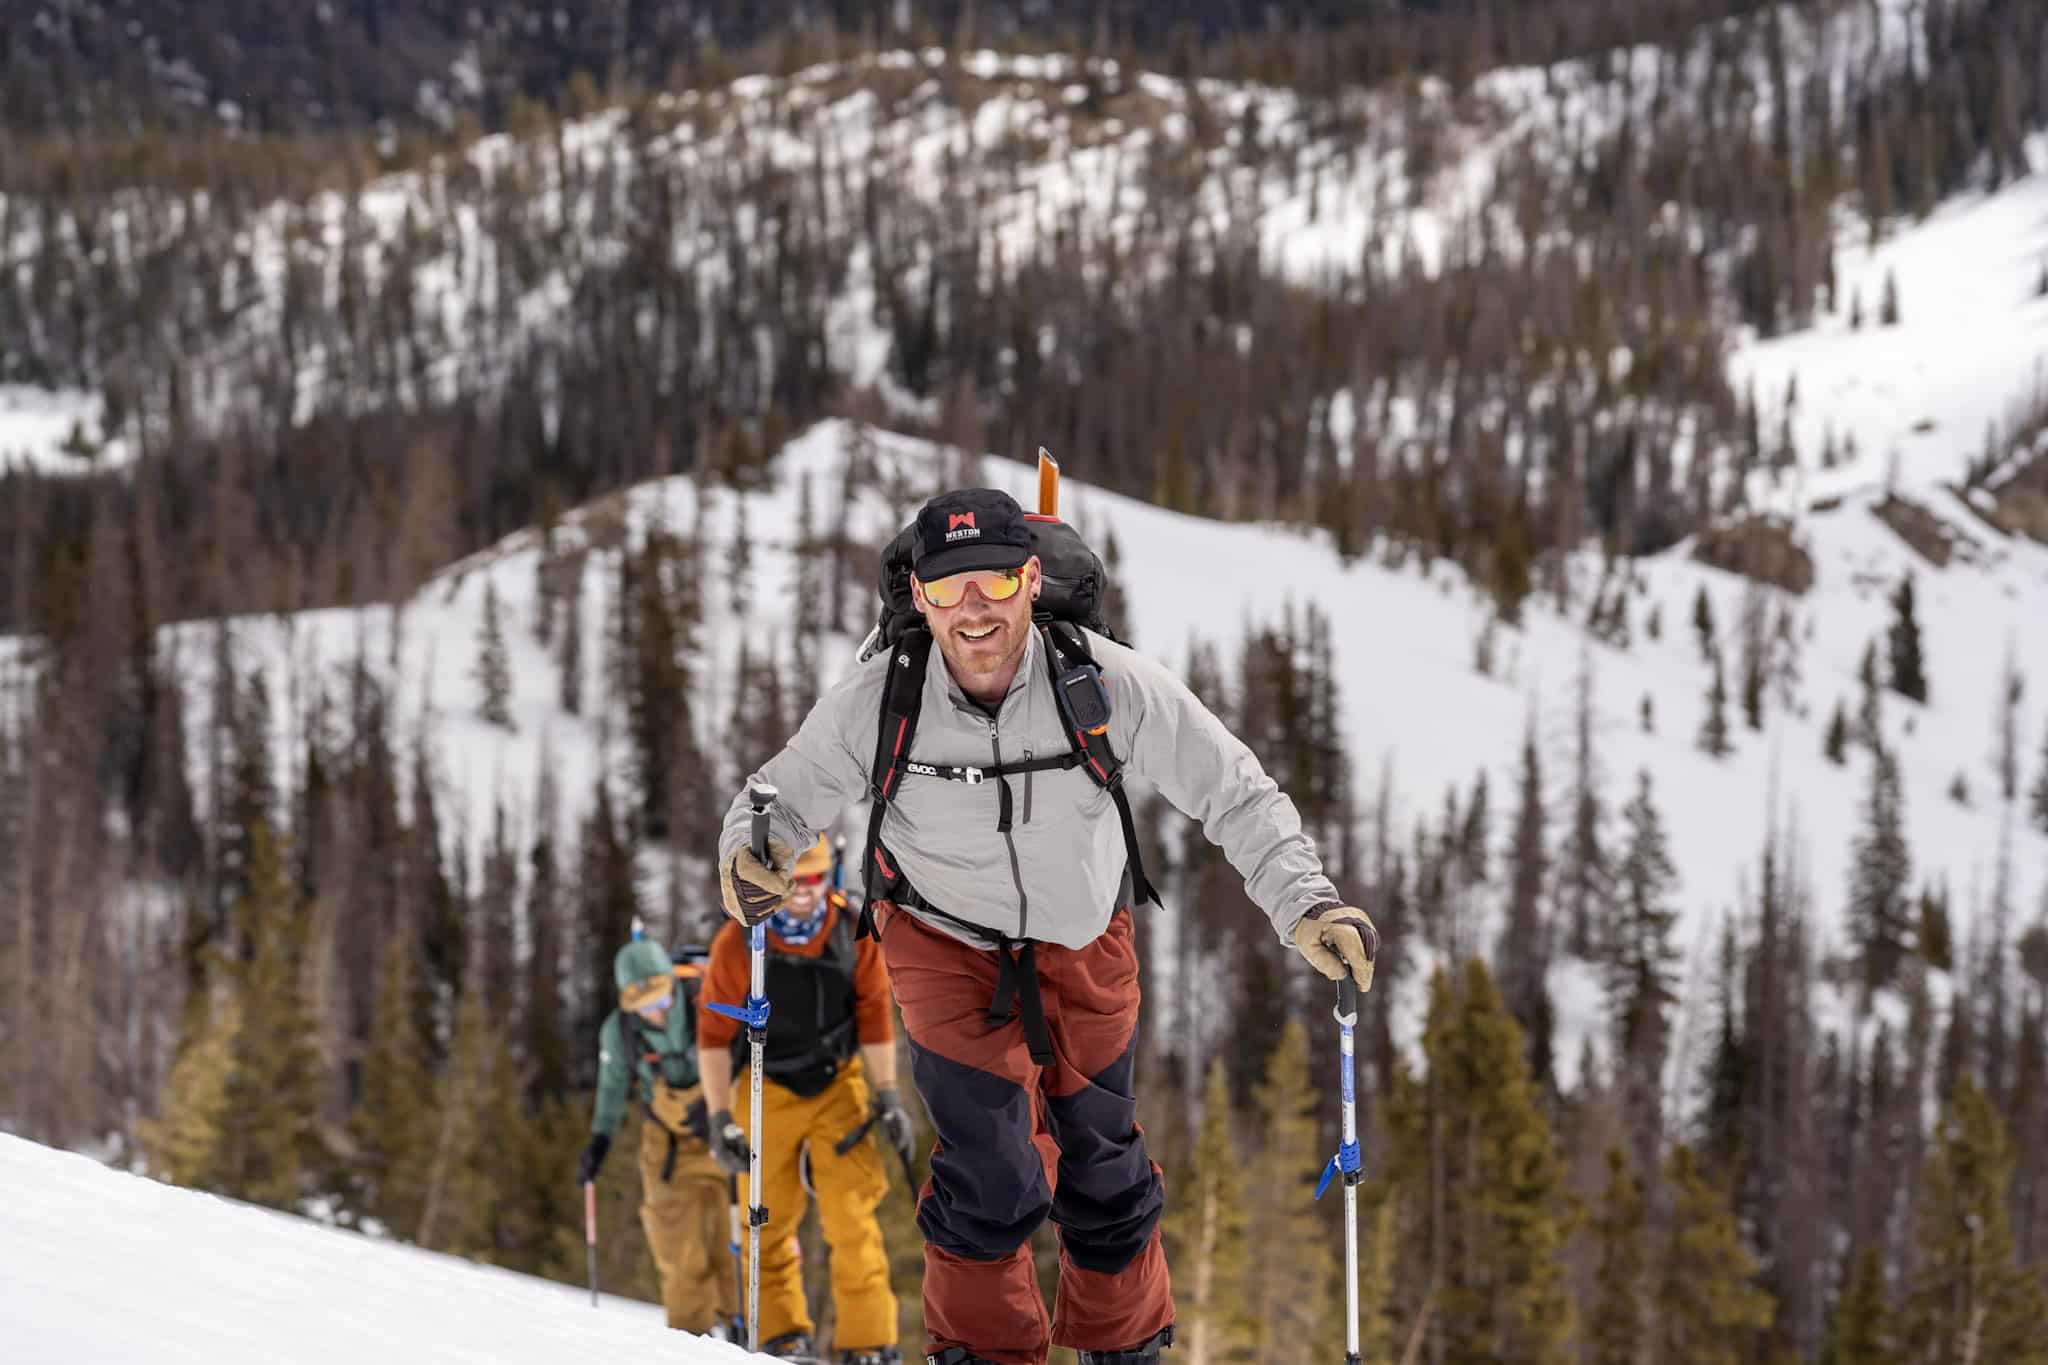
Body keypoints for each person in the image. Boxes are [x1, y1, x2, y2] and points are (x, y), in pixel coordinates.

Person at [715, 487, 1379, 1365]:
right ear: (919, 596)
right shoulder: (881, 699)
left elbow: (1232, 784)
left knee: (1103, 1161)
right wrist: (748, 858)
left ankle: (1125, 1349)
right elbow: (776, 800)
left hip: (1082, 934)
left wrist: (1307, 903)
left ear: (1031, 578)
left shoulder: (1097, 678)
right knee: (990, 1165)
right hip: (940, 938)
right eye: (948, 589)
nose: (973, 610)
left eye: (992, 580)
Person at [697, 834, 912, 1364]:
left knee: (852, 1218)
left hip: (838, 1085)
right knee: (765, 1219)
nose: (803, 895)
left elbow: (875, 1017)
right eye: (793, 882)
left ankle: (868, 1345)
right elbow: (712, 1036)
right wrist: (719, 1115)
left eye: (815, 881)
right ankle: (780, 1335)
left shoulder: (852, 932)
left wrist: (888, 1096)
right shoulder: (740, 941)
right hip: (765, 1086)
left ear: (829, 879)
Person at [578, 933, 738, 1338]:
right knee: (678, 1251)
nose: (656, 1013)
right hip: (667, 1144)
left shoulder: (706, 1002)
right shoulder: (621, 1032)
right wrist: (600, 1139)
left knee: (737, 1244)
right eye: (643, 1006)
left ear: (673, 984)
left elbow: (745, 1057)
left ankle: (751, 1334)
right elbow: (613, 1087)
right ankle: (690, 1342)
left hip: (727, 1134)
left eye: (662, 1001)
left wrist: (719, 1107)